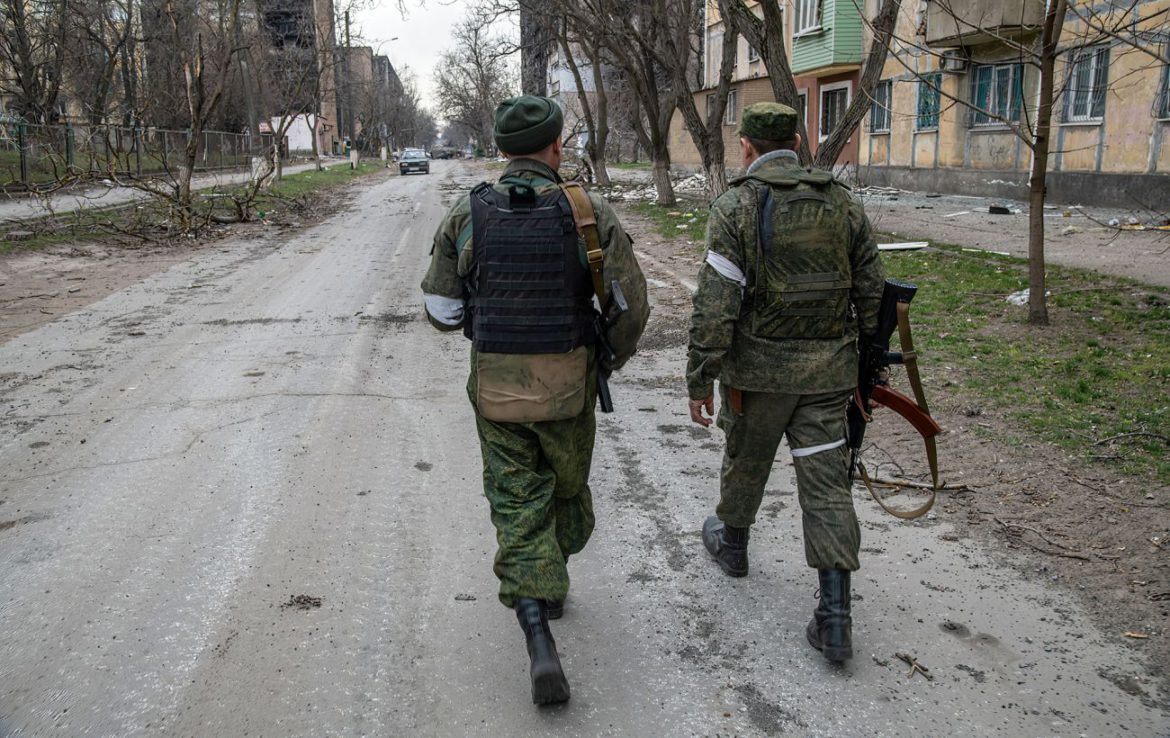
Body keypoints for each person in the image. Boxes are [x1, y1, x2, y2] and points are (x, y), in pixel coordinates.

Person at [421, 95, 649, 703]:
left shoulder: (466, 214)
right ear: (556, 148)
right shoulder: (587, 212)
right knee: (567, 486)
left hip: (496, 386)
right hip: (569, 385)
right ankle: (546, 600)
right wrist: (606, 359)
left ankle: (536, 607)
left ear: (499, 150)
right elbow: (632, 307)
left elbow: (440, 310)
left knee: (516, 500)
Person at [686, 102, 885, 664]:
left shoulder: (736, 205)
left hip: (758, 375)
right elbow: (872, 287)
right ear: (797, 142)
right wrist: (863, 359)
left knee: (746, 458)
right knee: (826, 485)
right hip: (828, 377)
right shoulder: (841, 201)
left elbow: (715, 304)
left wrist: (700, 375)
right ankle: (836, 615)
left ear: (746, 146)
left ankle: (734, 544)